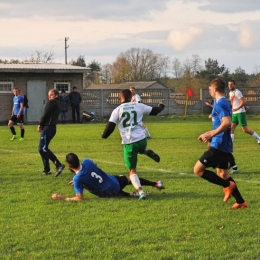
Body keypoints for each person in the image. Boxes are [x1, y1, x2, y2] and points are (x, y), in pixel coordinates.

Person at [101, 89, 165, 201]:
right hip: (142, 140)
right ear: (131, 97)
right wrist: (161, 106)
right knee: (139, 148)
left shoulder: (117, 110)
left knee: (132, 172)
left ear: (120, 98)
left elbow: (110, 127)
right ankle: (144, 150)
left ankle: (141, 192)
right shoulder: (138, 105)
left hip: (129, 143)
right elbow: (155, 111)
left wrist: (104, 136)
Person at [194, 78, 247, 209]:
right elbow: (221, 124)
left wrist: (212, 135)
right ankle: (240, 202)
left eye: (210, 88)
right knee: (223, 174)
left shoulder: (220, 103)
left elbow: (227, 122)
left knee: (198, 170)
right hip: (223, 143)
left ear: (215, 89)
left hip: (219, 144)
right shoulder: (222, 102)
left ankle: (227, 186)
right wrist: (208, 133)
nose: (209, 91)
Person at [51, 153, 164, 201]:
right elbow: (90, 173)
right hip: (113, 181)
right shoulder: (87, 161)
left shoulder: (78, 179)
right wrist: (78, 181)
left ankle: (130, 195)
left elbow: (79, 198)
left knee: (118, 194)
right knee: (129, 179)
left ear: (69, 166)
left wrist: (63, 198)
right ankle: (155, 184)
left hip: (108, 192)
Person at [205, 98, 240, 174]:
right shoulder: (218, 106)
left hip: (220, 133)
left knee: (223, 151)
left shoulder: (221, 105)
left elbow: (225, 120)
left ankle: (231, 166)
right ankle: (232, 166)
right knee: (215, 148)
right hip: (217, 131)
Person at [37, 89, 65, 177]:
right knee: (41, 149)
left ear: (56, 95)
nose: (49, 97)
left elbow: (45, 113)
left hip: (48, 127)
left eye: (51, 95)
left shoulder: (52, 102)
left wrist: (40, 124)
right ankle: (46, 170)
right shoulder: (57, 103)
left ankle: (58, 164)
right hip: (50, 128)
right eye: (48, 95)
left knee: (43, 148)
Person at [228, 80, 260, 145]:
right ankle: (230, 144)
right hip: (234, 113)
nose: (230, 86)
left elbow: (243, 101)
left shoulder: (237, 92)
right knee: (231, 128)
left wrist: (237, 108)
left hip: (240, 113)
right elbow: (233, 102)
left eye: (231, 84)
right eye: (229, 84)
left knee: (245, 129)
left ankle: (259, 138)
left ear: (235, 85)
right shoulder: (230, 93)